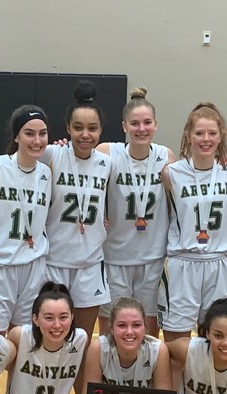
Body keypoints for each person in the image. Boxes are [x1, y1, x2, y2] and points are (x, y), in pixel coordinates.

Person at [42, 81, 111, 394]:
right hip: (54, 263)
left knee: (81, 344)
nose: (86, 134)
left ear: (101, 131)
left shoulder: (107, 164)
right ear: (67, 129)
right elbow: (15, 158)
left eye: (93, 128)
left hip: (89, 265)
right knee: (51, 343)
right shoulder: (52, 155)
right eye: (79, 127)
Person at [96, 88, 176, 337]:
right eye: (135, 123)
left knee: (149, 332)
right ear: (124, 126)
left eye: (147, 123)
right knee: (112, 330)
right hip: (114, 257)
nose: (141, 129)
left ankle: (147, 376)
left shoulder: (166, 157)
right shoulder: (108, 152)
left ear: (156, 124)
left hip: (152, 258)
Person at [160, 103, 227, 345]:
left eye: (212, 133)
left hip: (219, 264)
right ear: (188, 135)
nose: (206, 139)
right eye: (199, 133)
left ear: (221, 136)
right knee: (176, 345)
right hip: (183, 262)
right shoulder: (170, 173)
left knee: (217, 343)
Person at [0, 105, 52, 332]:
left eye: (42, 133)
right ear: (16, 136)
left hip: (34, 264)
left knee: (25, 334)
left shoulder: (46, 172)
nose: (37, 140)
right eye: (29, 133)